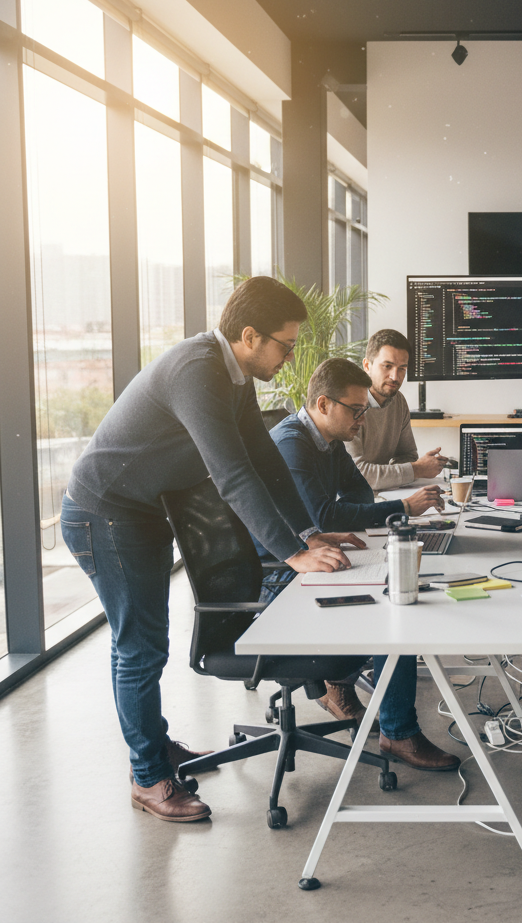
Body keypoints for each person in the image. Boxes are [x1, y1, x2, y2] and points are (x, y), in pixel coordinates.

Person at [60, 277, 364, 824]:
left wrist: (307, 535)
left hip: (141, 508)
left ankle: (156, 748)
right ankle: (148, 776)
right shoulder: (197, 372)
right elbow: (232, 477)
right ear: (249, 336)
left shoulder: (234, 374)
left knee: (146, 641)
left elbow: (264, 463)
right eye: (286, 344)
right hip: (103, 512)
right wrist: (293, 556)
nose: (291, 356)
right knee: (140, 648)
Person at [257, 357, 459, 771]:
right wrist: (401, 505)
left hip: (306, 559)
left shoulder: (326, 441)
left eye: (365, 409)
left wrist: (334, 519)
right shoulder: (290, 443)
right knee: (394, 608)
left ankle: (379, 714)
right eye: (356, 409)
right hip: (274, 579)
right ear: (324, 403)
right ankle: (398, 733)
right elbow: (327, 515)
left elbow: (358, 496)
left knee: (396, 585)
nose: (363, 420)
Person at [346, 329, 448, 491]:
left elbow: (406, 455)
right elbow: (356, 474)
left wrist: (410, 468)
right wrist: (417, 469)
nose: (395, 376)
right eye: (387, 366)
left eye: (402, 368)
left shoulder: (398, 401)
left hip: (382, 494)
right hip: (348, 499)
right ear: (367, 365)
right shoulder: (349, 404)